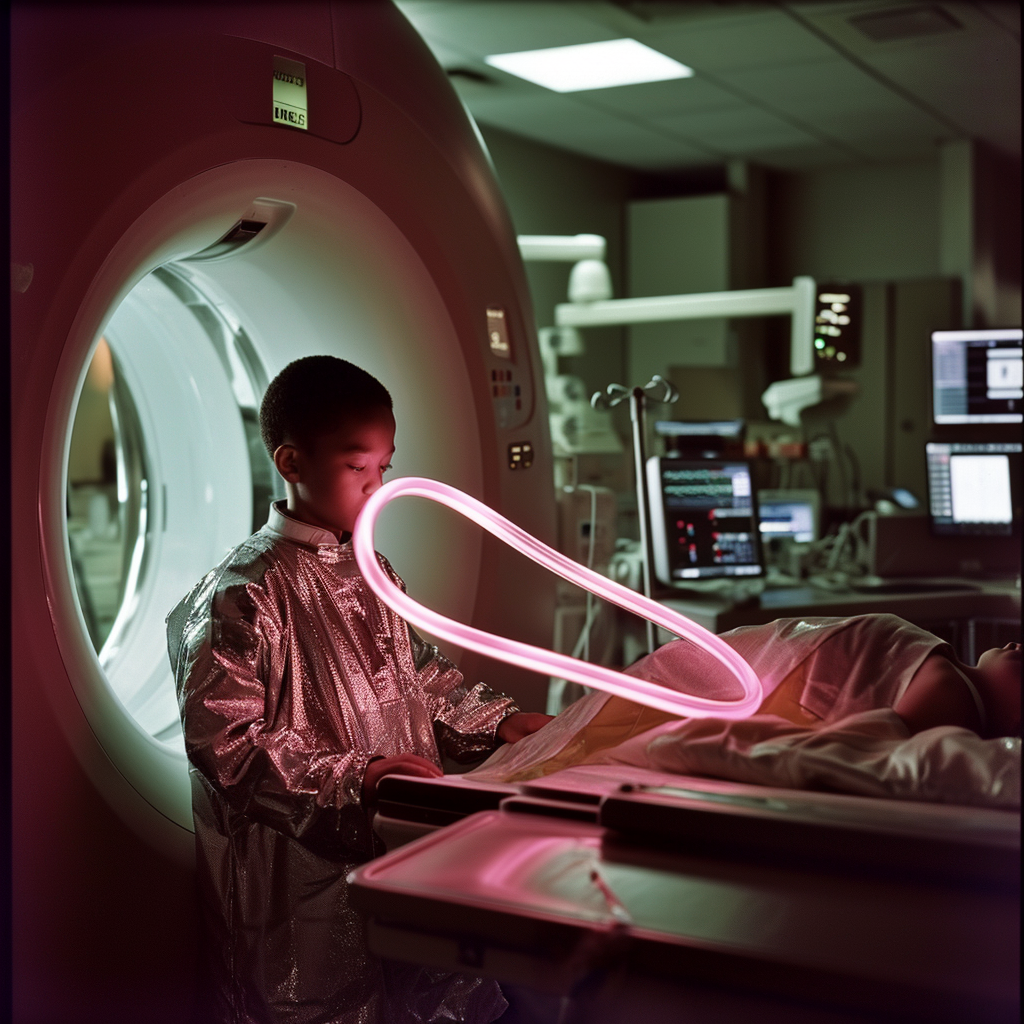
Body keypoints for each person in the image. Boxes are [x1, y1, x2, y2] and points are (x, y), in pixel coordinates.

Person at [166, 356, 552, 1024]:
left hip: (394, 848)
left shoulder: (375, 575)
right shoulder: (241, 596)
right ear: (291, 463)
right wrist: (357, 776)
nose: (379, 489)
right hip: (297, 884)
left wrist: (498, 723)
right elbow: (227, 747)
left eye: (386, 467)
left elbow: (421, 680)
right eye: (357, 468)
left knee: (425, 992)